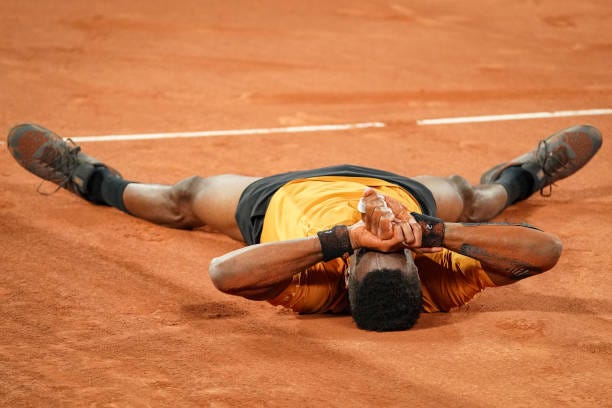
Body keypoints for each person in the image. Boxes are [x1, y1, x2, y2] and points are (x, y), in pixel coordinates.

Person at [6, 123, 602, 331]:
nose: (389, 246)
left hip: (274, 200)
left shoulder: (317, 288)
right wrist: (431, 231)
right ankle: (530, 170)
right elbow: (543, 250)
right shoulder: (438, 280)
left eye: (379, 254)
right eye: (398, 255)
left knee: (184, 198)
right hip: (405, 191)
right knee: (476, 197)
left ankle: (85, 176)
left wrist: (344, 240)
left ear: (349, 273)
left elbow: (223, 272)